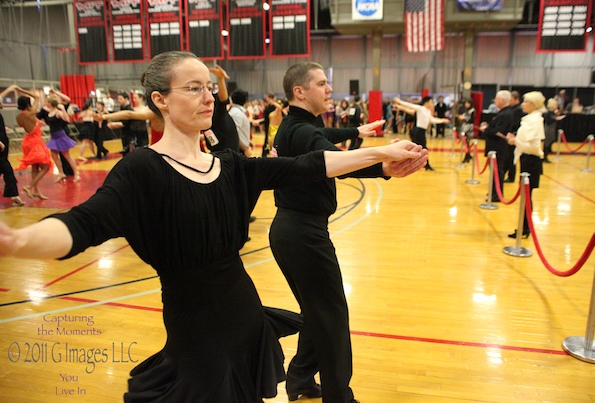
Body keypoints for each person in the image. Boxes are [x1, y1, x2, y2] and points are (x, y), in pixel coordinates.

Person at [0, 51, 426, 403]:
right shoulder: (143, 169)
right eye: (193, 88)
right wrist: (17, 240)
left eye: (209, 87)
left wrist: (381, 158)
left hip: (246, 322)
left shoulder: (229, 166)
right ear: (160, 100)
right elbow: (83, 224)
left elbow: (308, 165)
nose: (208, 97)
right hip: (196, 336)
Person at [269, 61, 428, 403]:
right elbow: (334, 159)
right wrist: (384, 163)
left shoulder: (300, 125)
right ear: (299, 91)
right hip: (302, 234)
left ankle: (299, 379)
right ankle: (339, 397)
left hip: (294, 231)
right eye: (321, 83)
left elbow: (326, 136)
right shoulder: (301, 131)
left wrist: (358, 130)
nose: (329, 89)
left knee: (318, 313)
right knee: (332, 317)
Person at [506, 91, 546, 238]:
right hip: (526, 159)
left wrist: (516, 141)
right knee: (525, 196)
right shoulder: (530, 119)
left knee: (527, 197)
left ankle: (525, 228)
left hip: (531, 161)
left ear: (533, 104)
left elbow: (535, 147)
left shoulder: (535, 121)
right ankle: (524, 227)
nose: (523, 104)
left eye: (525, 102)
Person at [394, 95, 449, 171]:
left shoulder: (427, 111)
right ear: (426, 102)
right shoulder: (421, 108)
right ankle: (425, 165)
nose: (432, 103)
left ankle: (419, 164)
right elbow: (410, 105)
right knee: (421, 147)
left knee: (417, 148)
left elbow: (431, 120)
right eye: (431, 102)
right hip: (417, 131)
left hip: (421, 131)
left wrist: (442, 120)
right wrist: (399, 101)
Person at [14, 92, 52, 201]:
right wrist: (21, 90)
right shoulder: (30, 114)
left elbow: (28, 125)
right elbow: (37, 97)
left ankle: (36, 191)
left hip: (27, 141)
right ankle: (29, 186)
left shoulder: (19, 117)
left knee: (35, 167)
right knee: (45, 167)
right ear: (28, 104)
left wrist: (38, 122)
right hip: (35, 142)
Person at [479, 90, 513, 202]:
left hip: (498, 147)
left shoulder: (505, 114)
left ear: (502, 100)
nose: (495, 101)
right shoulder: (503, 112)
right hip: (496, 147)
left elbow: (499, 131)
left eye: (497, 99)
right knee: (495, 171)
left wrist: (486, 129)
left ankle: (497, 194)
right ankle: (494, 192)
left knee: (497, 171)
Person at [43, 96, 81, 183]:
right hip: (53, 137)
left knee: (67, 156)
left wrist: (63, 109)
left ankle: (76, 173)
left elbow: (67, 119)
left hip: (60, 136)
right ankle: (61, 173)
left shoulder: (58, 112)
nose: (46, 103)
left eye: (47, 102)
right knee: (54, 156)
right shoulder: (50, 111)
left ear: (50, 103)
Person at [0, 85, 26, 206]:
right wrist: (10, 89)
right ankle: (14, 195)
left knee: (4, 168)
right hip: (0, 144)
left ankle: (13, 194)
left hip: (3, 143)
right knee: (7, 169)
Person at [543, 98, 560, 163]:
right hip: (548, 130)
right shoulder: (548, 113)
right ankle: (545, 157)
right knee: (547, 143)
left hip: (551, 129)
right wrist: (555, 118)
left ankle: (546, 155)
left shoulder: (552, 112)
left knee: (550, 142)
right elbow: (548, 121)